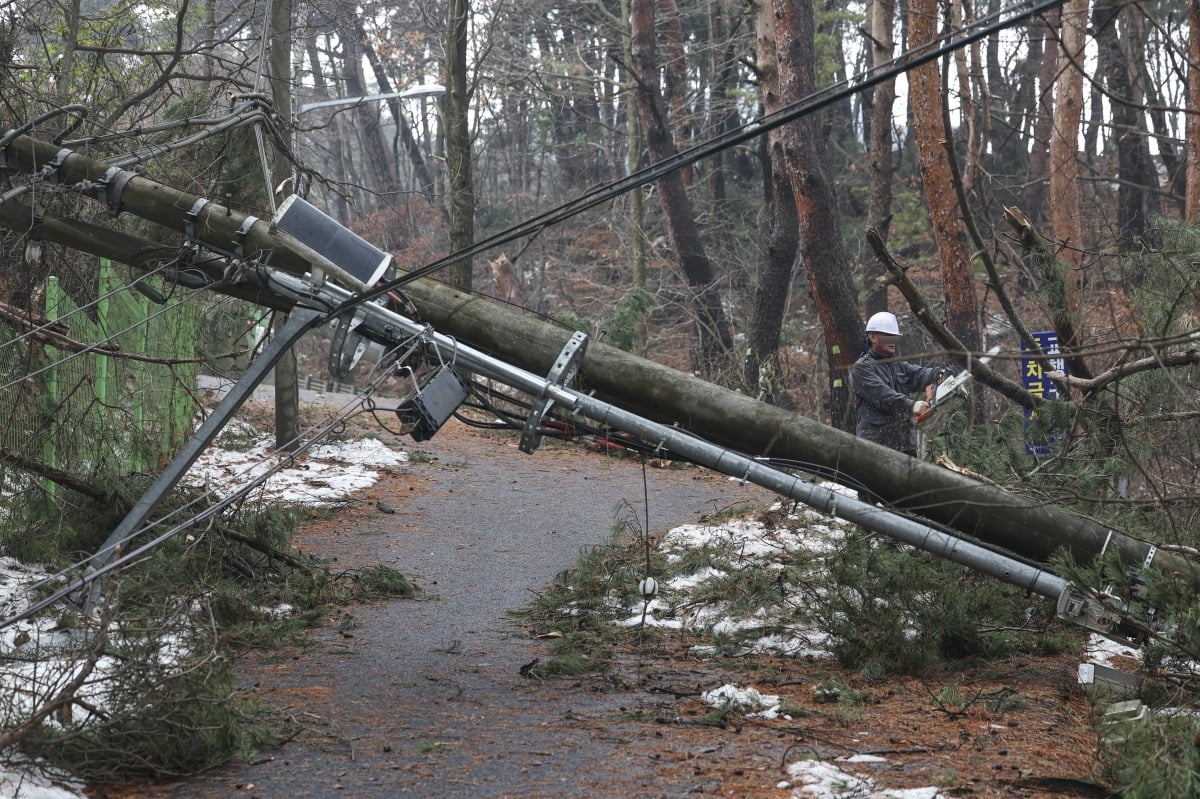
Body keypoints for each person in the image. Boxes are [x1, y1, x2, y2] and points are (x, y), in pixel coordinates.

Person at [850, 311, 948, 458]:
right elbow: (882, 395)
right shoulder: (862, 368)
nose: (893, 340)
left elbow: (920, 374)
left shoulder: (898, 366)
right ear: (873, 337)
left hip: (905, 444)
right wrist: (912, 405)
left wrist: (938, 373)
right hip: (877, 446)